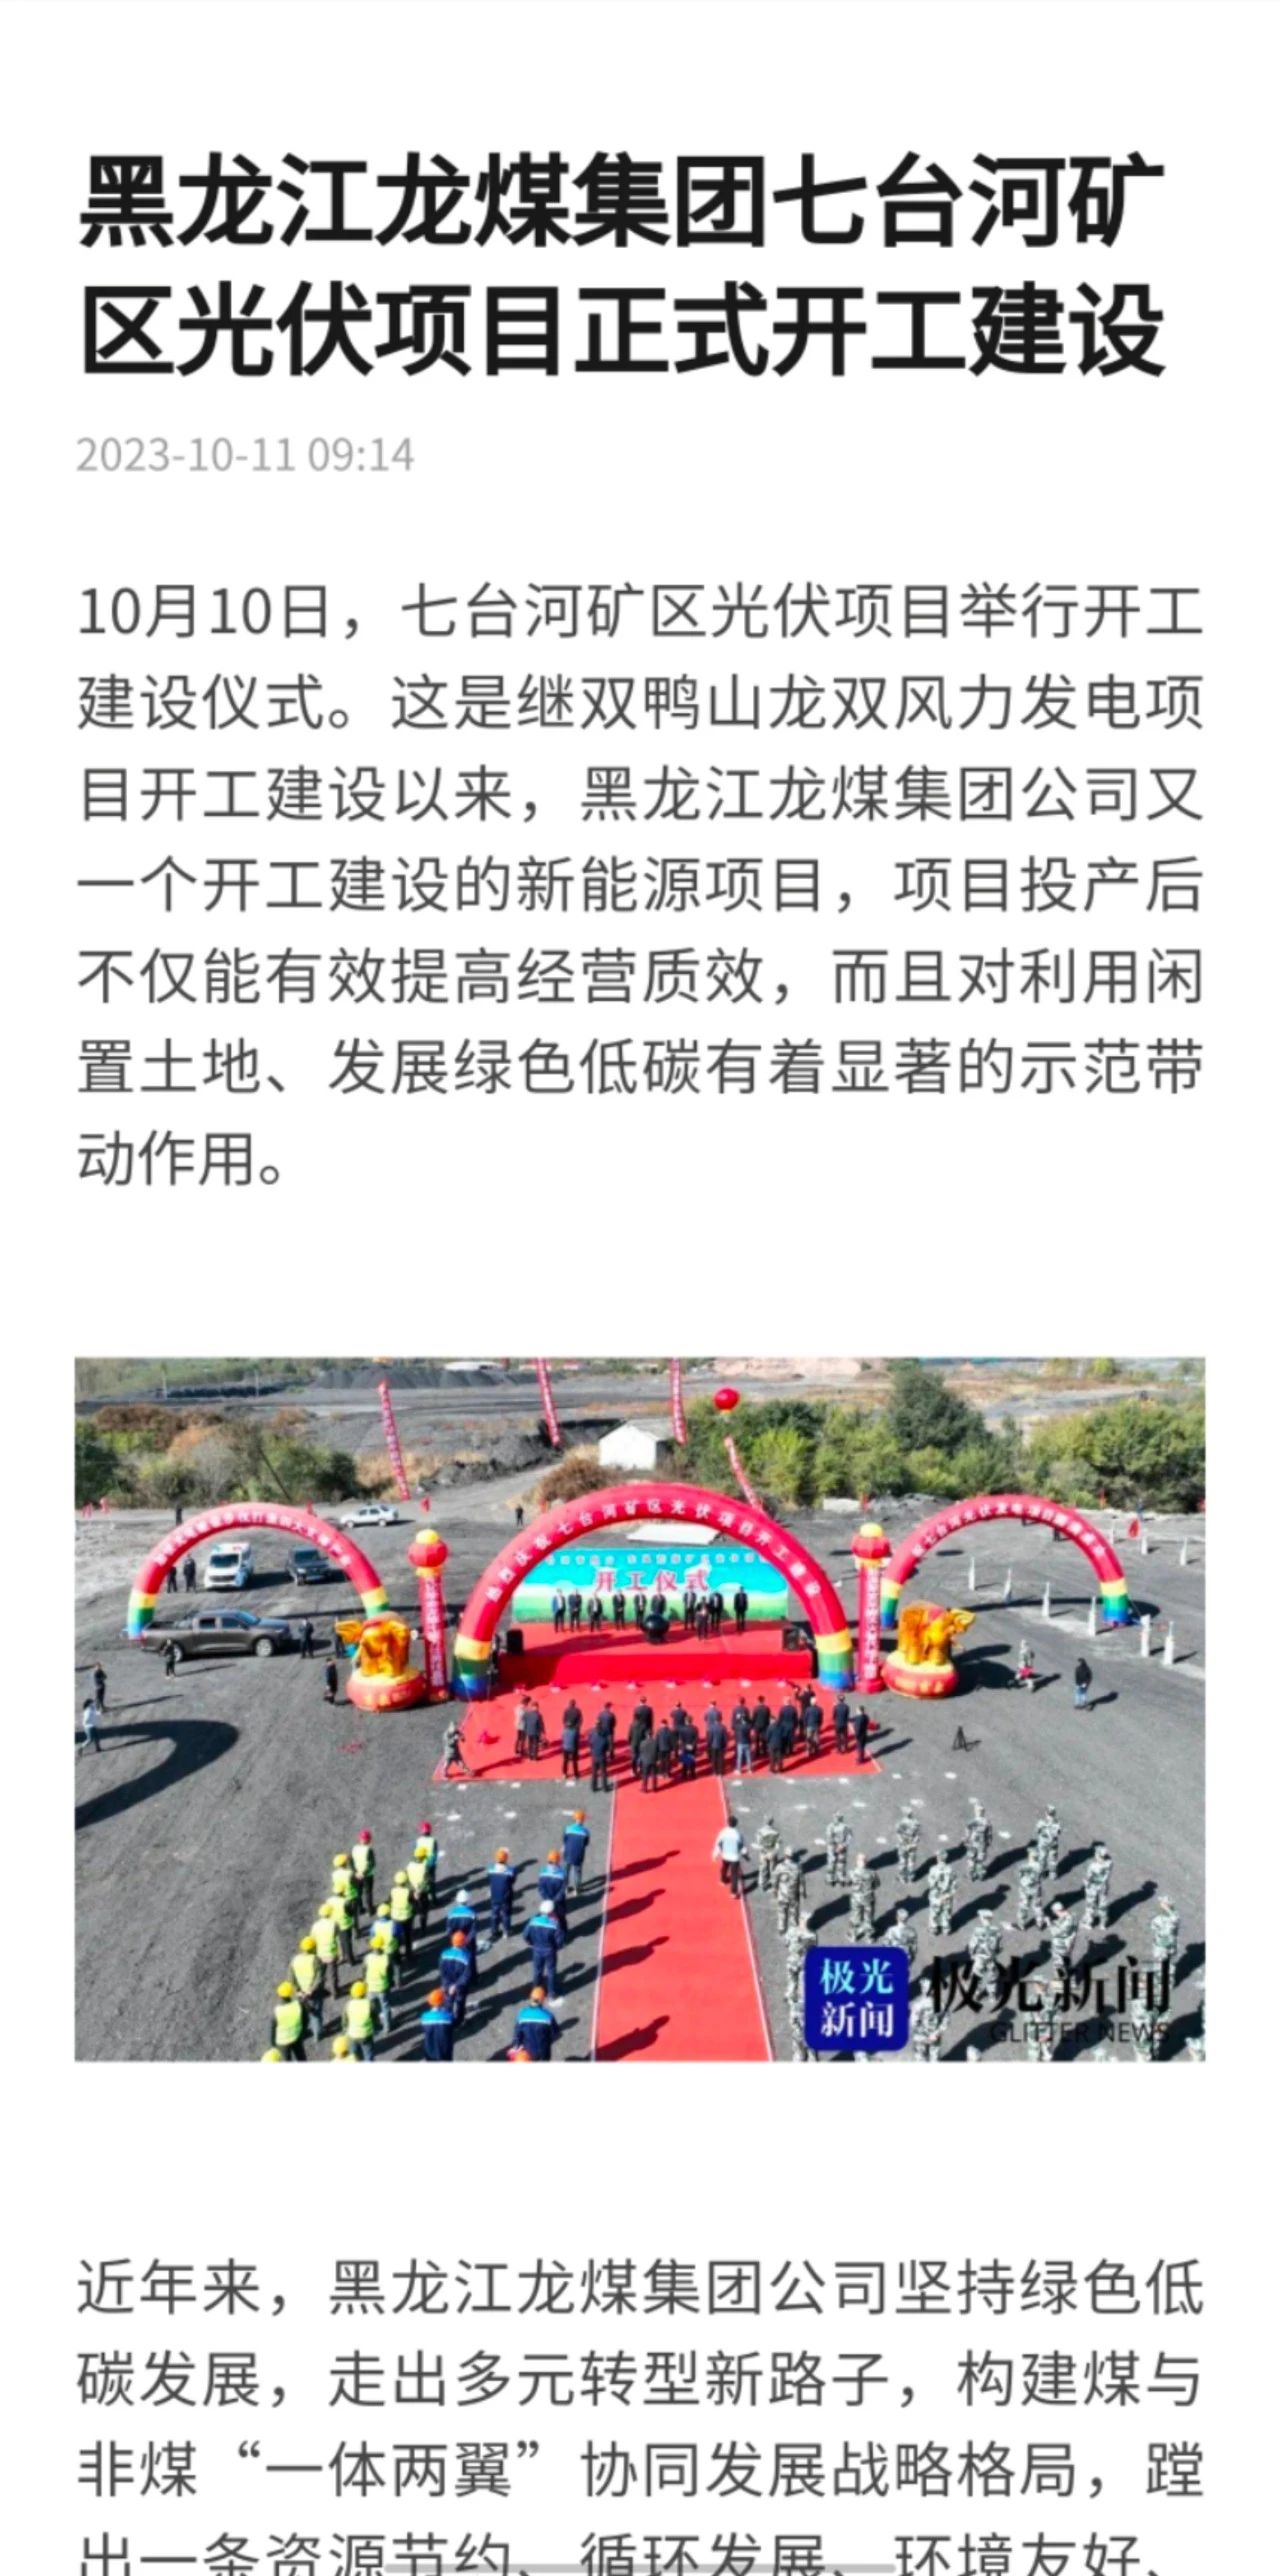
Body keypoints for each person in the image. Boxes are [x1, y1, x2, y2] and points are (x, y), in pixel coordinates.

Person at [289, 1935, 325, 2042]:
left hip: (300, 1995)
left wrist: (298, 1991)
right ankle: (317, 2035)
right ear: (313, 1948)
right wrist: (310, 1990)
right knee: (316, 2014)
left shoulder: (294, 1960)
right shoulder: (316, 1960)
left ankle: (303, 2033)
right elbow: (319, 1978)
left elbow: (291, 1979)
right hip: (313, 1994)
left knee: (302, 2015)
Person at [525, 1898, 564, 1995]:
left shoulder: (533, 1921)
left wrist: (531, 1943)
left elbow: (525, 1935)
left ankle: (536, 1991)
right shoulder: (554, 1924)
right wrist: (556, 1947)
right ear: (551, 1912)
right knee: (551, 1972)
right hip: (550, 1950)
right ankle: (551, 1993)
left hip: (537, 1949)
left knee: (537, 1971)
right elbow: (559, 1940)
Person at [438, 1928, 474, 2023]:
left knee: (448, 2002)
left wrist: (445, 1984)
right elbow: (467, 1975)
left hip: (446, 1983)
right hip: (460, 1986)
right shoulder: (467, 1956)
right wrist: (456, 1985)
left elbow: (442, 1971)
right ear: (463, 1943)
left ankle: (447, 2020)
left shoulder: (444, 1954)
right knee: (460, 2002)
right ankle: (459, 2020)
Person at [512, 1985, 558, 2059]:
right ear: (542, 2000)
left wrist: (516, 2046)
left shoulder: (522, 2015)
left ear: (531, 1998)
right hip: (543, 2050)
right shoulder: (548, 2016)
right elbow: (555, 2033)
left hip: (527, 2051)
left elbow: (517, 2034)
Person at [270, 1982, 307, 2062]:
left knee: (287, 2060)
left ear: (279, 1995)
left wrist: (273, 2044)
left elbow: (273, 2030)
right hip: (296, 2036)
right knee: (301, 2057)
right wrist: (302, 2032)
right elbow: (306, 2020)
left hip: (283, 2042)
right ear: (291, 1994)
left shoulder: (276, 2011)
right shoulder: (299, 2005)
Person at [343, 1981, 376, 2062]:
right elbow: (374, 2018)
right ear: (364, 1993)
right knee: (369, 2054)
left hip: (352, 2035)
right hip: (366, 2034)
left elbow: (344, 2021)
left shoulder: (348, 2005)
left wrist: (345, 2030)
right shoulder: (370, 2004)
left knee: (354, 2056)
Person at [713, 1813, 745, 1896]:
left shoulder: (723, 1832)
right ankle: (733, 1892)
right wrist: (745, 1854)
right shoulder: (738, 1834)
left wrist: (715, 1855)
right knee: (734, 1875)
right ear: (736, 1824)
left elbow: (718, 1843)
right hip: (734, 1857)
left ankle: (723, 1880)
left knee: (724, 1868)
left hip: (725, 1855)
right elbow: (742, 1846)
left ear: (728, 1823)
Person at [488, 1847, 517, 1939]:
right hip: (506, 1896)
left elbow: (489, 1879)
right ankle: (506, 1931)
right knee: (506, 1914)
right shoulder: (511, 1871)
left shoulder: (490, 1869)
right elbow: (512, 1881)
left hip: (494, 1895)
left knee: (494, 1913)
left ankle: (494, 1931)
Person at [420, 1989, 456, 2061]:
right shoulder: (448, 2017)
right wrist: (450, 1997)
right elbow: (453, 2022)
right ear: (443, 2002)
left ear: (430, 2002)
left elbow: (423, 2029)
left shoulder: (424, 2017)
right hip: (445, 2052)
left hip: (430, 2052)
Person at [538, 1851, 569, 1933]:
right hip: (559, 1902)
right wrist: (555, 1899)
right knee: (561, 1918)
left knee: (548, 1918)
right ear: (558, 1861)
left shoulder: (543, 1871)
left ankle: (551, 1934)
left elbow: (541, 1888)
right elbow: (563, 1888)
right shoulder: (562, 1872)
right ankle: (563, 1933)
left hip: (547, 1901)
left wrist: (546, 1899)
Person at [563, 1811, 591, 1895]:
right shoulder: (586, 1831)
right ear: (583, 1820)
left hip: (568, 1853)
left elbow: (565, 1840)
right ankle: (577, 1890)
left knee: (566, 1871)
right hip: (579, 1855)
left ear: (575, 1818)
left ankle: (565, 1888)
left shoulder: (568, 1828)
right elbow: (586, 1843)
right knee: (577, 1873)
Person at [351, 1828, 376, 1919]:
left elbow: (351, 1861)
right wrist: (363, 1873)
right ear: (369, 1840)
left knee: (358, 1892)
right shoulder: (369, 1850)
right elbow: (372, 1864)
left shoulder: (354, 1848)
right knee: (368, 1893)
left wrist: (356, 1872)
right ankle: (370, 1910)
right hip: (367, 1875)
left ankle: (360, 1909)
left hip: (356, 1875)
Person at [442, 1712, 474, 1777]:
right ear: (450, 1727)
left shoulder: (456, 1732)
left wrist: (462, 1738)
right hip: (449, 1753)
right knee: (447, 1765)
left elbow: (462, 1737)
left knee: (461, 1763)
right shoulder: (446, 1734)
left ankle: (467, 1772)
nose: (455, 1729)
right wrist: (454, 1739)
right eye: (453, 1727)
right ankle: (444, 1773)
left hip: (456, 1752)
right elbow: (448, 1743)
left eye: (455, 1727)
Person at [588, 1716, 610, 1793]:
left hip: (594, 1755)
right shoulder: (604, 1734)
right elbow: (607, 1745)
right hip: (602, 1756)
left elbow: (590, 1743)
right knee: (603, 1772)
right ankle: (604, 1787)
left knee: (594, 1772)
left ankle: (594, 1787)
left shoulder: (592, 1733)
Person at [561, 1704, 582, 1779]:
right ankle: (576, 1774)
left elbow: (562, 1738)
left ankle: (564, 1773)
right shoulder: (575, 1732)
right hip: (573, 1748)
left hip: (565, 1748)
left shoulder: (564, 1731)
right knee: (574, 1761)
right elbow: (576, 1740)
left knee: (565, 1761)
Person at [705, 1706, 727, 1775]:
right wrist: (725, 1745)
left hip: (713, 1746)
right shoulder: (723, 1727)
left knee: (714, 1759)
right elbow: (725, 1737)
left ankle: (714, 1771)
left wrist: (708, 1745)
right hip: (720, 1745)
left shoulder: (711, 1728)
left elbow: (710, 1738)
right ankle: (720, 1771)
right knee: (721, 1759)